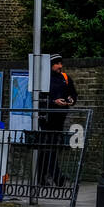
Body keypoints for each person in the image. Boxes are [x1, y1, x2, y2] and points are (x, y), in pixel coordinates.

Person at [39, 54, 78, 186]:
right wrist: (53, 102)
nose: (60, 66)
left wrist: (71, 99)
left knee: (48, 148)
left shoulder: (65, 78)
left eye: (61, 63)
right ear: (50, 65)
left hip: (60, 118)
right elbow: (38, 99)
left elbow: (73, 93)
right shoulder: (43, 80)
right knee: (50, 147)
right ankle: (57, 176)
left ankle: (41, 177)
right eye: (57, 64)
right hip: (46, 118)